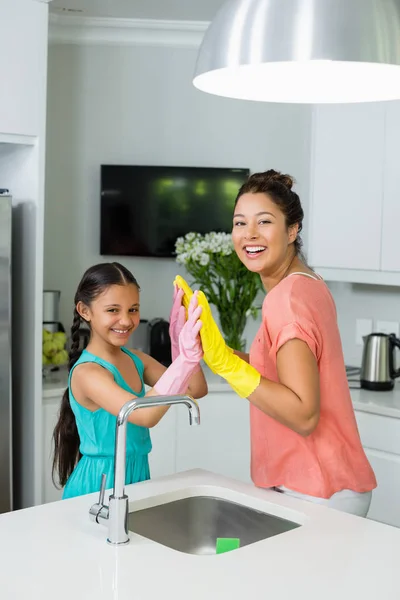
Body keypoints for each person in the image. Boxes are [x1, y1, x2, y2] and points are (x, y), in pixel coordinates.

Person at [175, 169, 377, 517]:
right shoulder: (309, 283)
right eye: (240, 223)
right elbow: (283, 373)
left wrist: (228, 364)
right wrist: (217, 351)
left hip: (313, 488)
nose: (249, 234)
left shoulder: (286, 298)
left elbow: (303, 414)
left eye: (264, 221)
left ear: (292, 229)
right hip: (327, 484)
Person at [52, 262, 207, 499]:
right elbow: (143, 415)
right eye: (113, 310)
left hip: (137, 476)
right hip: (98, 486)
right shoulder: (88, 373)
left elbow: (196, 388)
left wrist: (178, 345)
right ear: (85, 311)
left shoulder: (136, 359)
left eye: (133, 309)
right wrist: (184, 362)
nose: (125, 320)